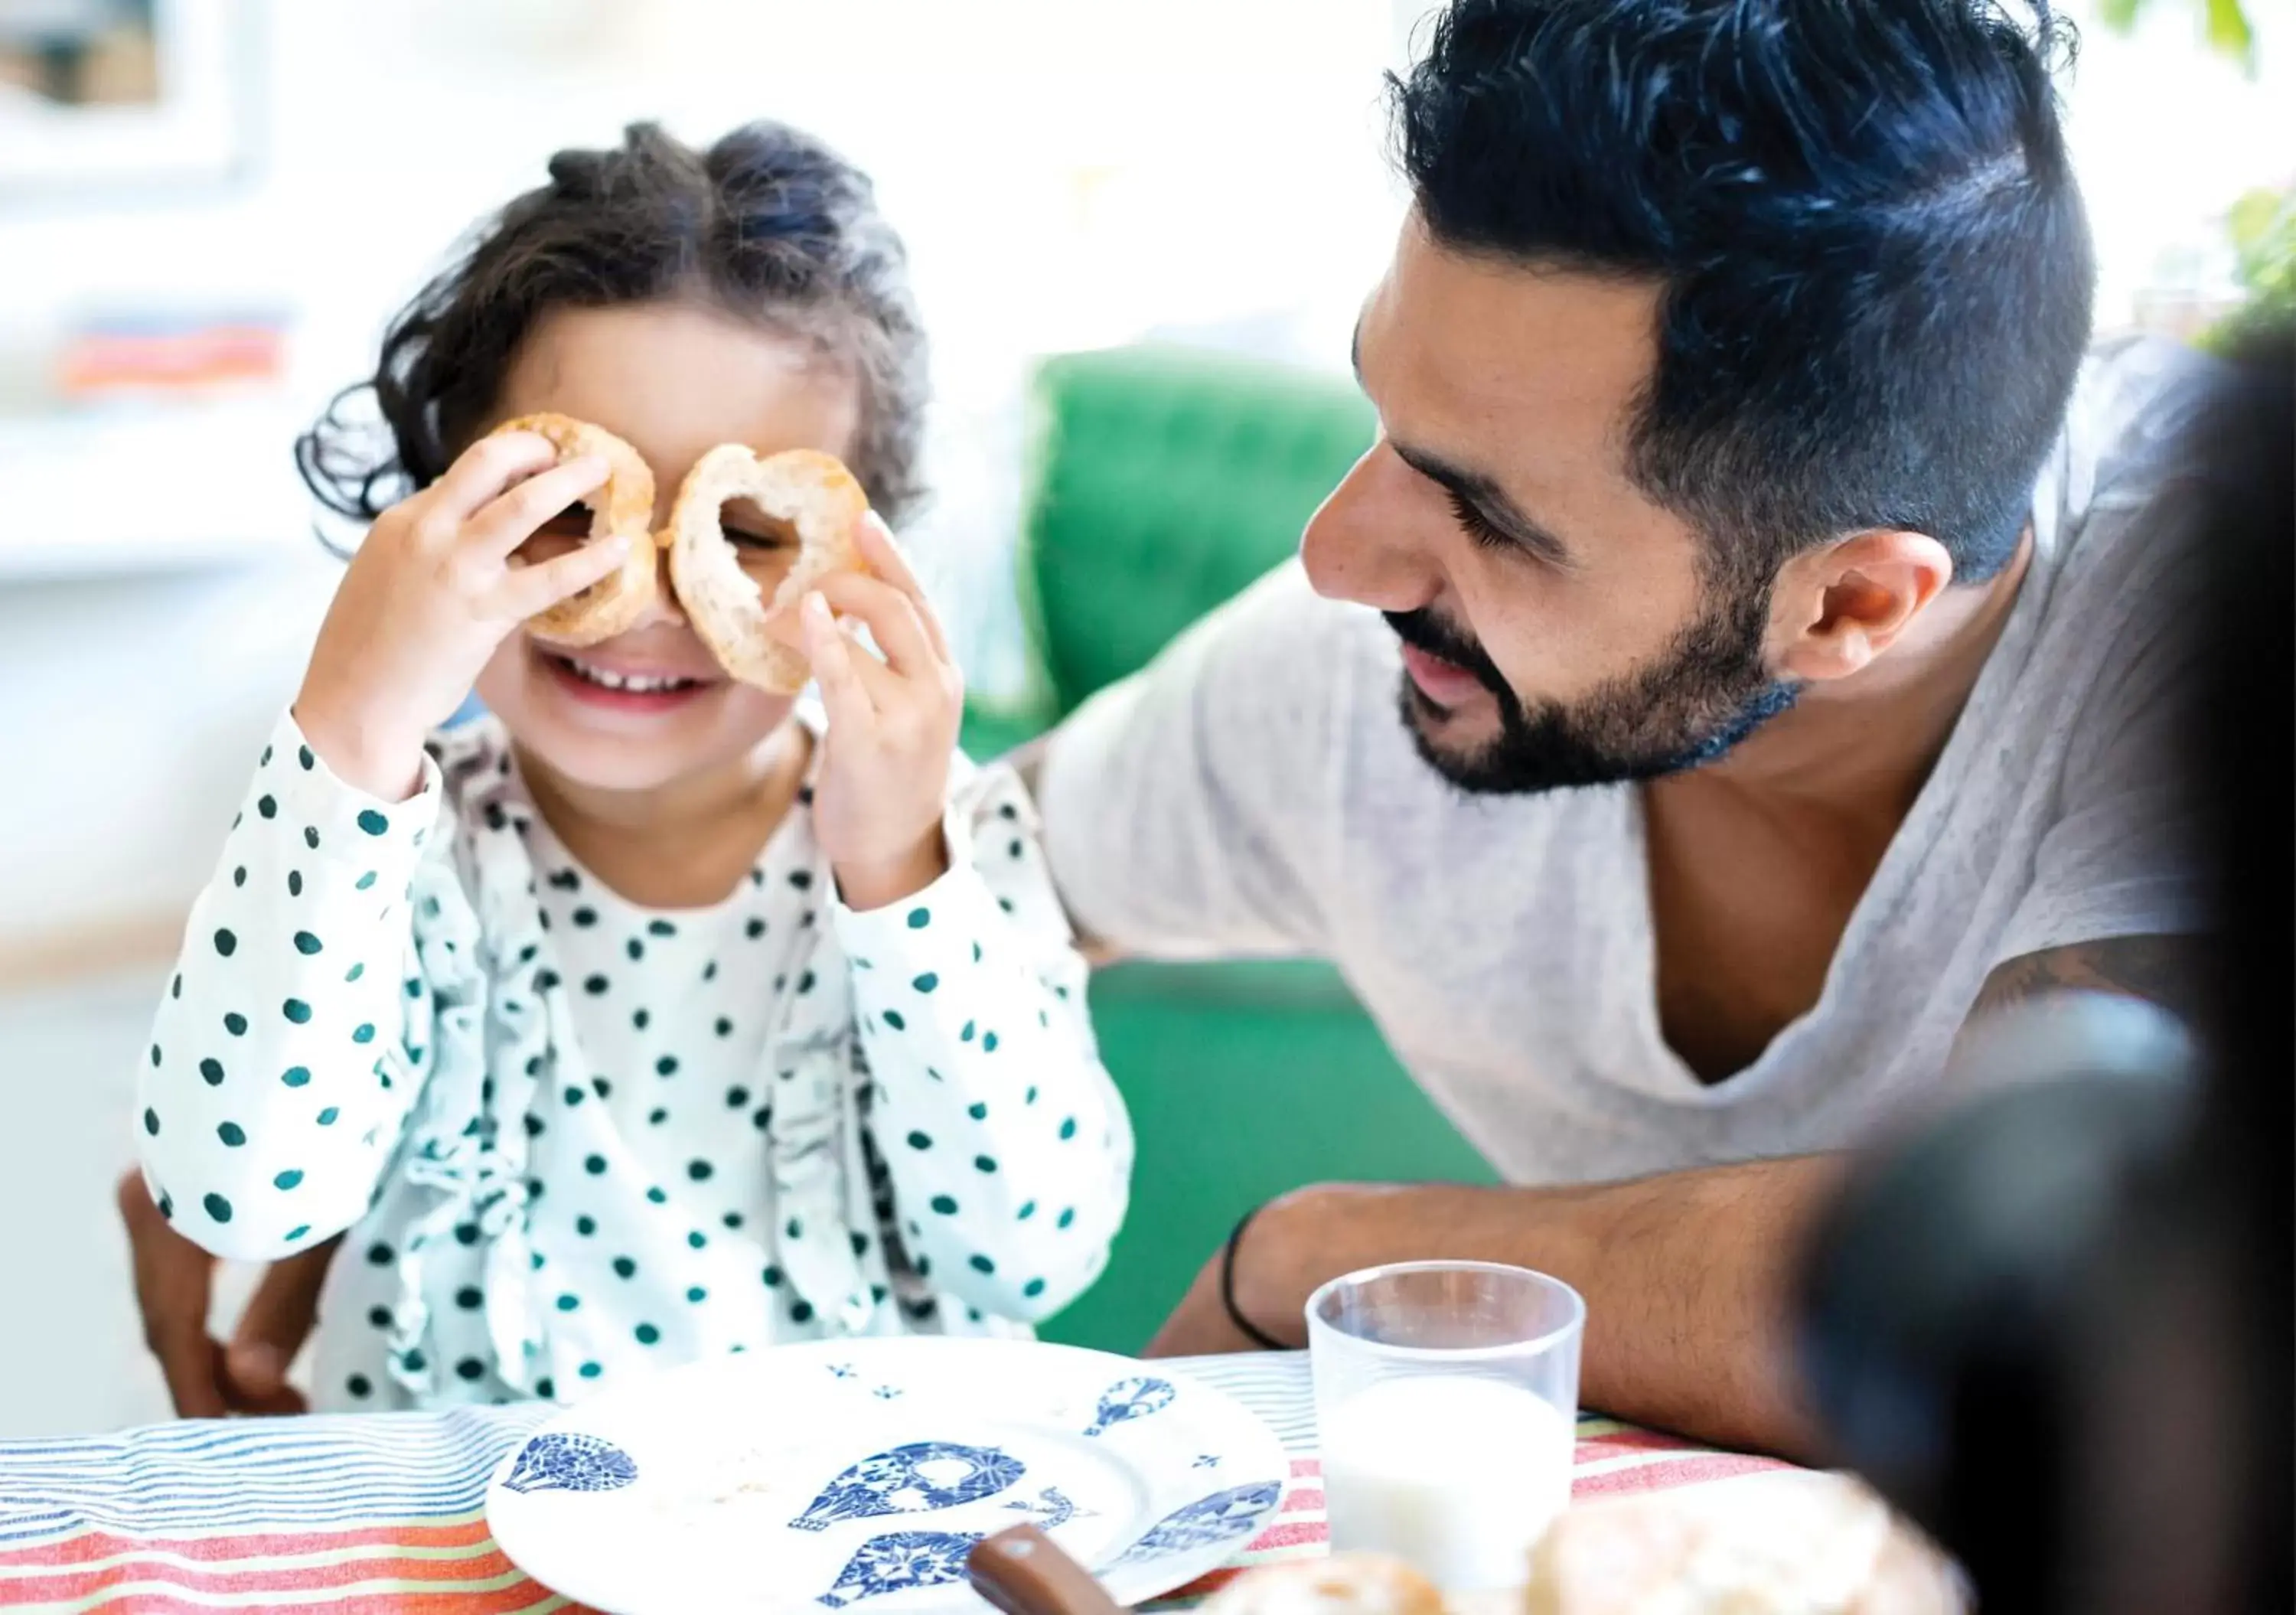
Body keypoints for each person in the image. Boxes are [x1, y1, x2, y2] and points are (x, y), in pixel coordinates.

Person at [1030, 0, 2213, 1455]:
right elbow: (936, 883)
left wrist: (1328, 1257)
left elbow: (2057, 1309)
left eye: (1487, 514)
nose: (1337, 558)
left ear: (1849, 604)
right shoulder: (1357, 668)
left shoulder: (2214, 618)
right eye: (1382, 418)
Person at [122, 119, 1130, 1414]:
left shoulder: (953, 843)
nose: (650, 599)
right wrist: (353, 727)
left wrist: (897, 874)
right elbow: (236, 1191)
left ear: (863, 561)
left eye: (747, 532)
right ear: (433, 510)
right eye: (566, 517)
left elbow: (1035, 1248)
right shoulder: (382, 850)